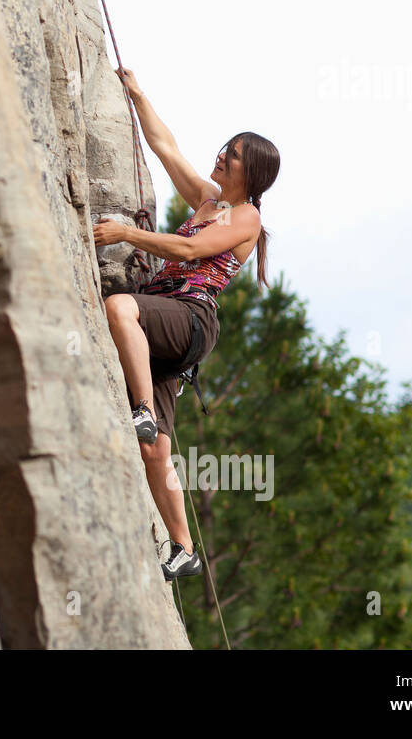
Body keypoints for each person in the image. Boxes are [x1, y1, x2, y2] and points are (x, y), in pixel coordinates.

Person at [92, 66, 279, 581]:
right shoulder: (208, 200)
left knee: (119, 307)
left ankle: (142, 410)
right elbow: (166, 148)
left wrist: (127, 234)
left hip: (190, 319)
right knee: (155, 449)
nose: (221, 155)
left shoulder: (246, 219)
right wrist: (137, 95)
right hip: (167, 323)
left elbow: (193, 249)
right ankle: (182, 546)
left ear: (251, 172)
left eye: (232, 154)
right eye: (224, 148)